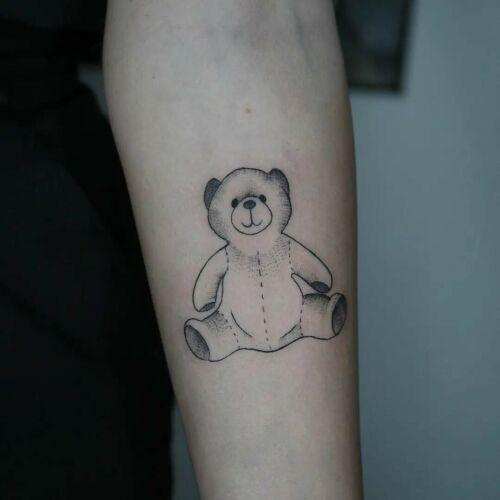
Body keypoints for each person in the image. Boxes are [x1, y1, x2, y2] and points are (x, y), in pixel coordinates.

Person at [104, 1, 362, 498]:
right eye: (237, 202)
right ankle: (219, 336)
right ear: (216, 209)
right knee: (218, 331)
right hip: (233, 327)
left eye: (258, 198)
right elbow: (207, 289)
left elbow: (239, 22)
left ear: (278, 195)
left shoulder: (285, 245)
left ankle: (316, 316)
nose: (249, 208)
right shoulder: (226, 257)